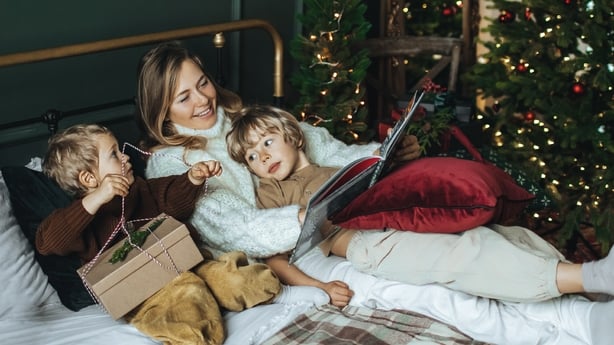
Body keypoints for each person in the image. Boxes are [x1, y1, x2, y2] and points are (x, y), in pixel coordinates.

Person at [136, 41, 612, 345]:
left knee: (474, 236)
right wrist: (305, 216)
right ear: (161, 108)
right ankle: (561, 328)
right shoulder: (173, 165)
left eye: (203, 83)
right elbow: (234, 228)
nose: (203, 100)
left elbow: (329, 151)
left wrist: (381, 156)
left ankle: (577, 309)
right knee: (435, 284)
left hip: (342, 217)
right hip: (295, 253)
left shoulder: (255, 119)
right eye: (185, 97)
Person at [226, 104, 614, 306]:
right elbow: (274, 256)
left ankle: (588, 288)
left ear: (293, 136)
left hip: (398, 215)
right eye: (251, 158)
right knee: (457, 255)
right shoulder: (272, 193)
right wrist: (319, 286)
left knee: (499, 233)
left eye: (266, 142)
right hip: (367, 243)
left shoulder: (336, 164)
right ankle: (589, 277)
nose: (262, 158)